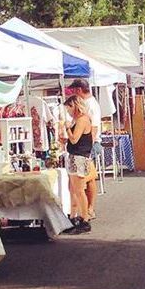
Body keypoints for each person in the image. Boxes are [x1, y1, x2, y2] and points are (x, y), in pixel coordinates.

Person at [68, 79, 101, 220]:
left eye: (74, 90)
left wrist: (87, 147)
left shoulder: (91, 105)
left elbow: (94, 128)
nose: (73, 93)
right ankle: (85, 211)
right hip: (84, 147)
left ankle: (89, 209)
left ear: (79, 90)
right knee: (84, 181)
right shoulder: (87, 104)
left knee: (88, 179)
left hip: (87, 147)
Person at [63, 95, 94, 234]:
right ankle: (73, 216)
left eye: (69, 108)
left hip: (79, 157)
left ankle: (84, 219)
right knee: (73, 189)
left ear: (74, 105)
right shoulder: (78, 119)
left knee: (79, 190)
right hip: (75, 156)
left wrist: (68, 129)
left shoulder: (82, 119)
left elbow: (75, 139)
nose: (68, 111)